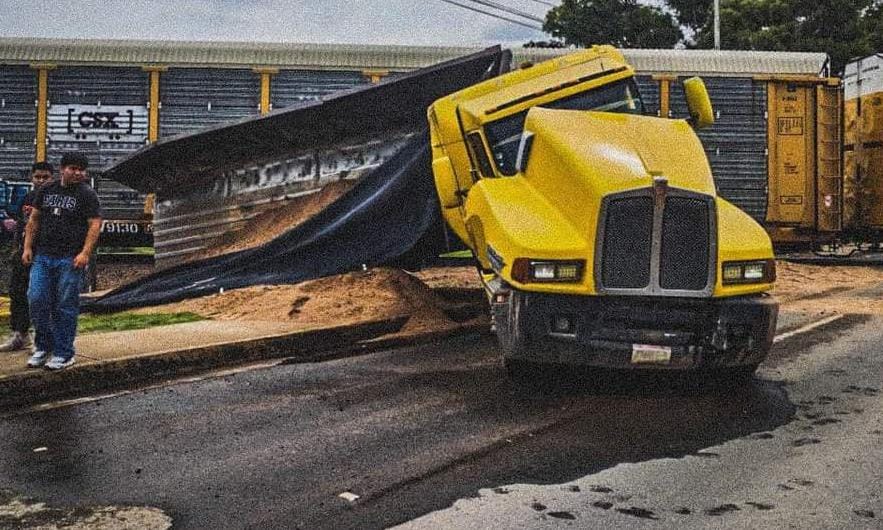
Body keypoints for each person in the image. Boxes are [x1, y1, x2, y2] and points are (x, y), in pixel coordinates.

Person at [22, 152, 101, 370]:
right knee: (36, 299)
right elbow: (34, 220)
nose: (77, 173)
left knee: (65, 305)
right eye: (73, 168)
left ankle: (64, 352)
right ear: (62, 169)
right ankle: (43, 347)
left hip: (70, 259)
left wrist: (85, 253)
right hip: (43, 256)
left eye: (81, 170)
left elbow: (94, 224)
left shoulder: (87, 195)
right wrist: (28, 247)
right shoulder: (47, 190)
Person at [0, 162, 53, 352]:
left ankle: (43, 337)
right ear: (32, 178)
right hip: (23, 253)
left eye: (45, 177)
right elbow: (22, 225)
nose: (41, 180)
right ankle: (20, 334)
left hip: (44, 254)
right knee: (17, 292)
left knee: (41, 296)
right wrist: (17, 249)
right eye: (37, 177)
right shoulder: (28, 198)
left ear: (52, 178)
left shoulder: (54, 199)